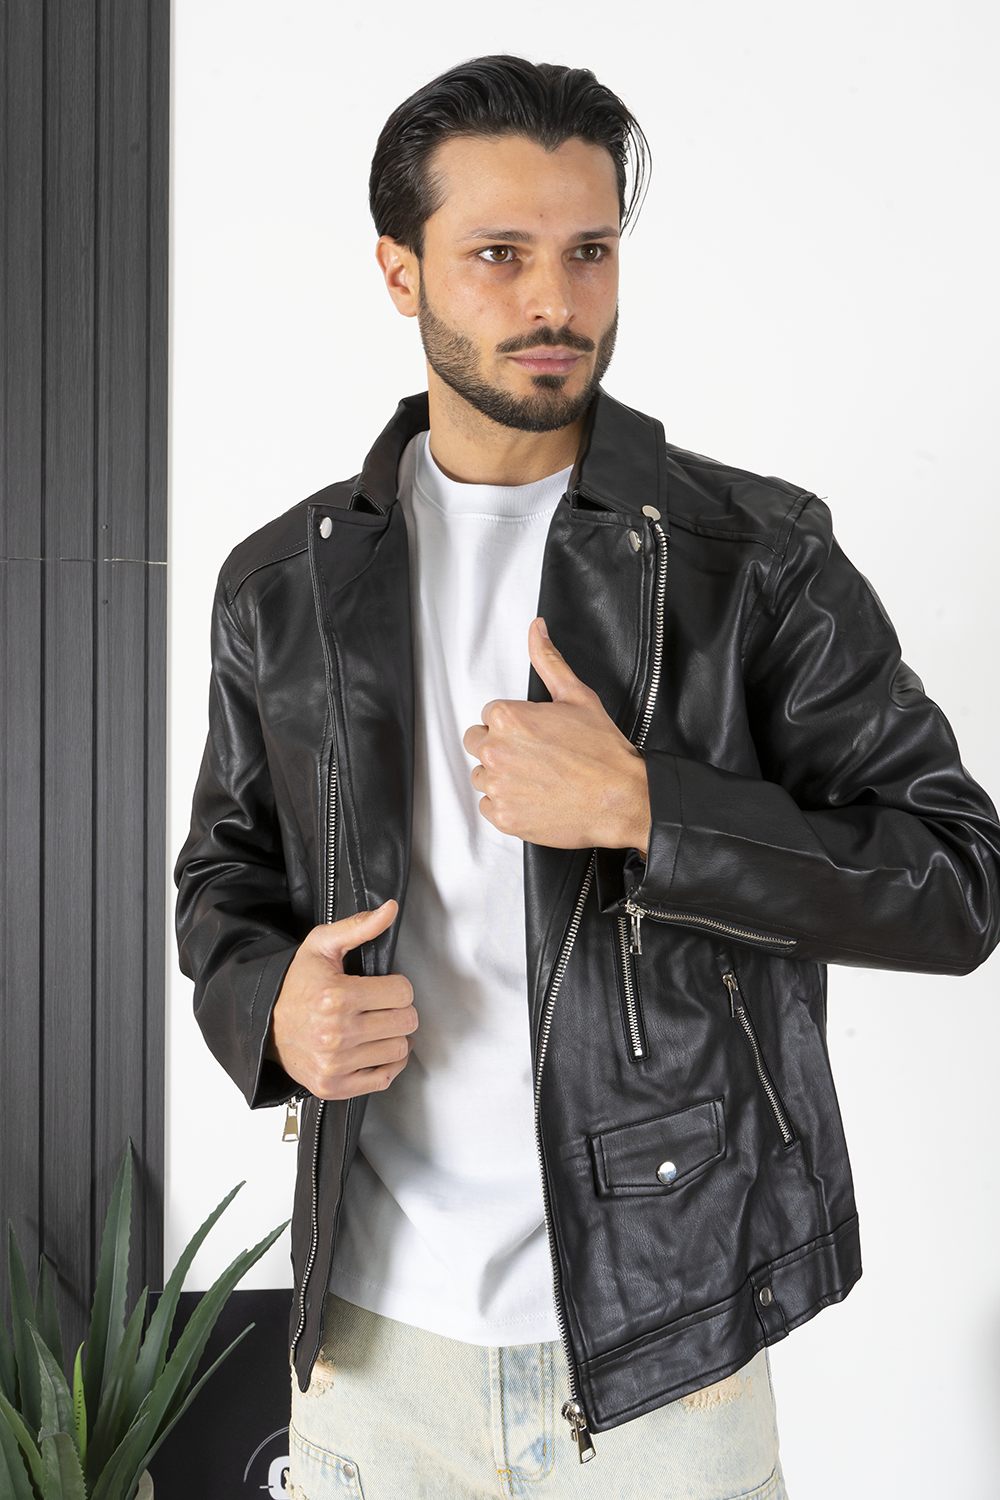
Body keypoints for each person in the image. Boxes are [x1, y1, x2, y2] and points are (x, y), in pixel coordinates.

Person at [175, 55, 1000, 1500]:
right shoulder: (283, 588)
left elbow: (956, 882)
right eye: (499, 254)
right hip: (371, 1352)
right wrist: (273, 1013)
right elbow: (221, 885)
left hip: (669, 1340)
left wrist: (649, 811)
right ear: (399, 270)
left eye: (590, 250)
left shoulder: (753, 559)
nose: (555, 301)